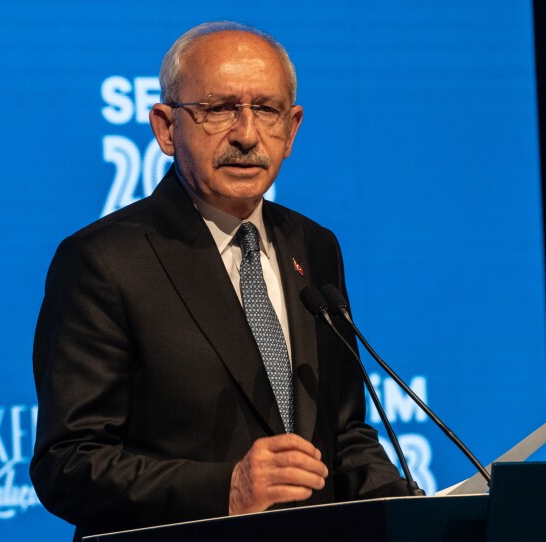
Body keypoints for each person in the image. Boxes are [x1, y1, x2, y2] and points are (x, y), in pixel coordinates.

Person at [30, 20, 415, 540]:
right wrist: (226, 489)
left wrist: (410, 511)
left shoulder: (314, 247)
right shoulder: (104, 261)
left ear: (292, 129)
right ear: (167, 128)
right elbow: (68, 464)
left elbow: (342, 434)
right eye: (218, 109)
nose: (246, 133)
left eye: (266, 110)